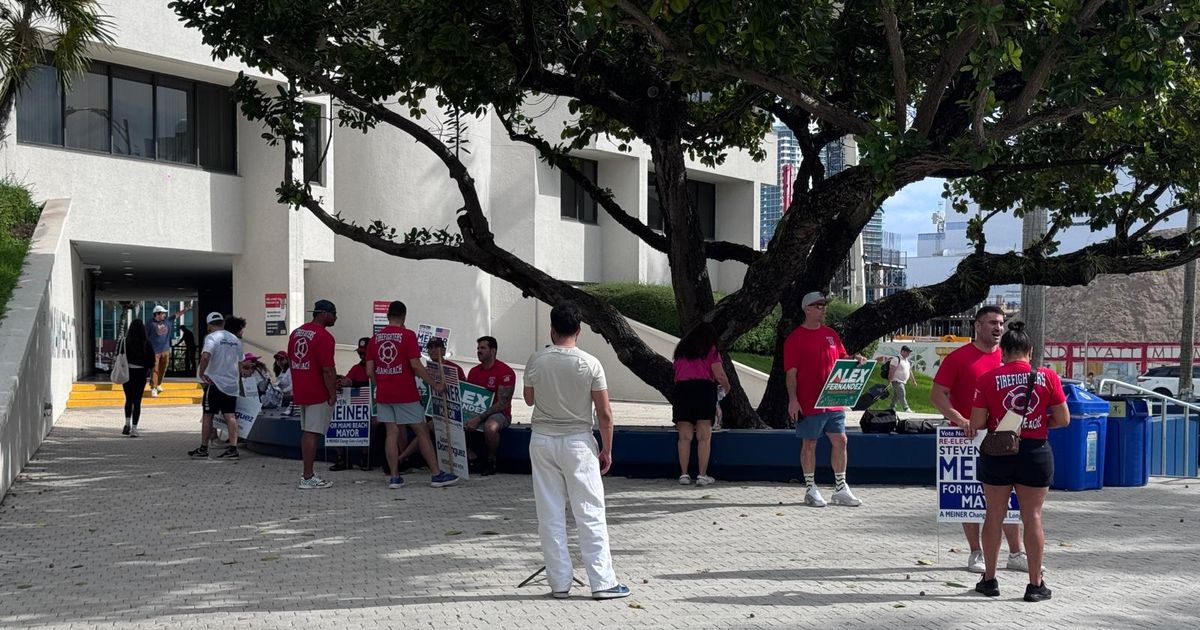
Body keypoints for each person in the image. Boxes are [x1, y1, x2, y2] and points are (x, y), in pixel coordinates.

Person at [523, 301, 630, 600]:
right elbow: (604, 412)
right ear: (579, 330)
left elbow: (529, 399)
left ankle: (559, 583)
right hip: (578, 442)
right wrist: (607, 449)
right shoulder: (591, 363)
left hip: (542, 439)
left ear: (552, 329)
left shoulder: (536, 360)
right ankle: (602, 582)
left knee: (549, 512)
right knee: (589, 510)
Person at [970, 321, 1069, 602]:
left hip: (998, 452)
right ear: (1031, 350)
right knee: (1033, 516)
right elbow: (1063, 419)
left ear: (1002, 351)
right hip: (1035, 452)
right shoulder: (1048, 377)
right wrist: (1037, 422)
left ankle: (989, 580)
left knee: (994, 515)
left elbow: (977, 422)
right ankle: (1035, 584)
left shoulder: (987, 379)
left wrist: (1002, 423)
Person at [930, 305, 1027, 574]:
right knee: (968, 498)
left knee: (1007, 496)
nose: (998, 328)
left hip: (1004, 438)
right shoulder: (958, 358)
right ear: (977, 326)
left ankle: (1016, 552)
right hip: (967, 437)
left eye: (1001, 323)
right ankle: (976, 552)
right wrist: (961, 420)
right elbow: (938, 395)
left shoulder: (1009, 359)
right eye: (993, 323)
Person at [784, 291, 866, 508]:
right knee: (809, 443)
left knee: (841, 440)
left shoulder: (831, 334)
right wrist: (793, 400)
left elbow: (842, 359)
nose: (823, 309)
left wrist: (856, 359)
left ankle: (840, 487)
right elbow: (790, 374)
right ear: (807, 309)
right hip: (809, 401)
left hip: (833, 398)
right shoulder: (795, 338)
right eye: (818, 306)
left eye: (823, 306)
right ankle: (810, 488)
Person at [367, 300, 457, 489]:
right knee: (421, 431)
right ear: (404, 316)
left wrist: (381, 382)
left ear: (387, 315)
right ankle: (436, 474)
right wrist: (435, 384)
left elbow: (369, 371)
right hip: (405, 392)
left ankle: (394, 477)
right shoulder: (407, 335)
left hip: (384, 394)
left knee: (391, 433)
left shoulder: (374, 339)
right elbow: (416, 365)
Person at [671, 322, 730, 486]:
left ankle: (684, 474)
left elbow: (676, 373)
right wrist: (727, 388)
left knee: (684, 437)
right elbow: (719, 374)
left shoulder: (681, 350)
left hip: (682, 391)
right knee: (704, 436)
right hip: (704, 390)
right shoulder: (710, 349)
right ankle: (702, 475)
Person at [289, 300, 339, 489]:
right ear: (324, 314)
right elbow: (328, 369)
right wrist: (332, 392)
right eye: (334, 313)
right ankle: (308, 476)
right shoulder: (324, 336)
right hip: (317, 391)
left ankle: (308, 474)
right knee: (312, 432)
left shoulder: (296, 333)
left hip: (302, 388)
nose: (336, 317)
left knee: (308, 431)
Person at [187, 313, 246, 460]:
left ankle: (203, 448)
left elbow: (205, 356)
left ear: (209, 325)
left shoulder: (211, 338)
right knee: (230, 416)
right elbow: (240, 363)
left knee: (208, 415)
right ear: (223, 323)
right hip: (231, 385)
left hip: (214, 383)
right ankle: (233, 449)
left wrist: (201, 373)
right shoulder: (235, 340)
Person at [465, 335, 516, 476]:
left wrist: (479, 418)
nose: (479, 351)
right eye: (478, 348)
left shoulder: (505, 372)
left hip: (500, 414)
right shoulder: (473, 372)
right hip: (476, 412)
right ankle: (472, 458)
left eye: (483, 348)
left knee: (490, 427)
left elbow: (503, 403)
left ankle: (491, 461)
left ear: (493, 351)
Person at [331, 337, 372, 472]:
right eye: (360, 353)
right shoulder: (356, 368)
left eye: (364, 353)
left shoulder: (377, 368)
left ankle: (365, 457)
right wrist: (340, 383)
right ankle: (342, 458)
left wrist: (353, 384)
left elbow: (374, 385)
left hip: (372, 409)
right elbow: (348, 380)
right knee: (334, 423)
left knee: (369, 424)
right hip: (355, 409)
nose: (361, 356)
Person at [147, 303, 190, 397]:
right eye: (162, 313)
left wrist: (186, 308)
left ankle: (158, 384)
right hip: (154, 351)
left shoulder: (168, 321)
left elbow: (177, 315)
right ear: (157, 314)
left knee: (163, 369)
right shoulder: (150, 323)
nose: (164, 315)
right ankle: (153, 388)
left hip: (165, 349)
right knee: (155, 369)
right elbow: (146, 336)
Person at [121, 319, 154, 437]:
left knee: (128, 399)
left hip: (127, 373)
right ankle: (134, 429)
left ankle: (126, 424)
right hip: (140, 374)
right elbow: (152, 361)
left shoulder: (124, 342)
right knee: (137, 401)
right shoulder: (146, 343)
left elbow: (118, 356)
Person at [888, 346, 916, 413]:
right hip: (896, 380)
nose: (908, 354)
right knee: (902, 393)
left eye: (909, 352)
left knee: (897, 395)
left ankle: (892, 407)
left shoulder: (907, 361)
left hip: (903, 381)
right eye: (907, 352)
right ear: (902, 351)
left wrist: (913, 381)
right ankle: (906, 408)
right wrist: (889, 381)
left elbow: (909, 370)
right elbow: (891, 371)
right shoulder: (896, 359)